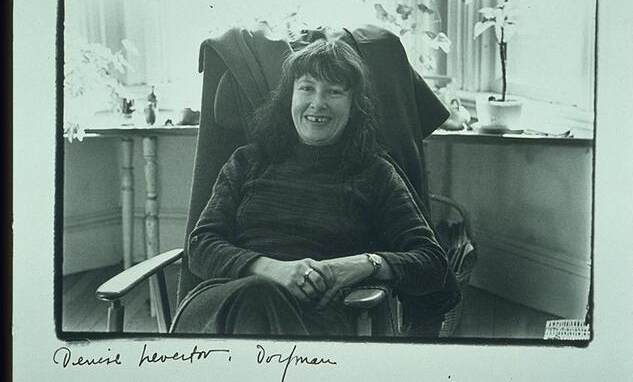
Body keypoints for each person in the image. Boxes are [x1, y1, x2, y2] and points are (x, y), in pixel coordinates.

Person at [172, 39, 449, 336]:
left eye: (334, 91)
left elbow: (432, 263)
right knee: (257, 295)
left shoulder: (375, 173)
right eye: (306, 88)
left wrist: (363, 264)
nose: (318, 102)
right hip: (223, 304)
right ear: (289, 97)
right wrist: (273, 270)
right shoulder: (248, 161)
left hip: (315, 317)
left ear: (353, 104)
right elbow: (201, 245)